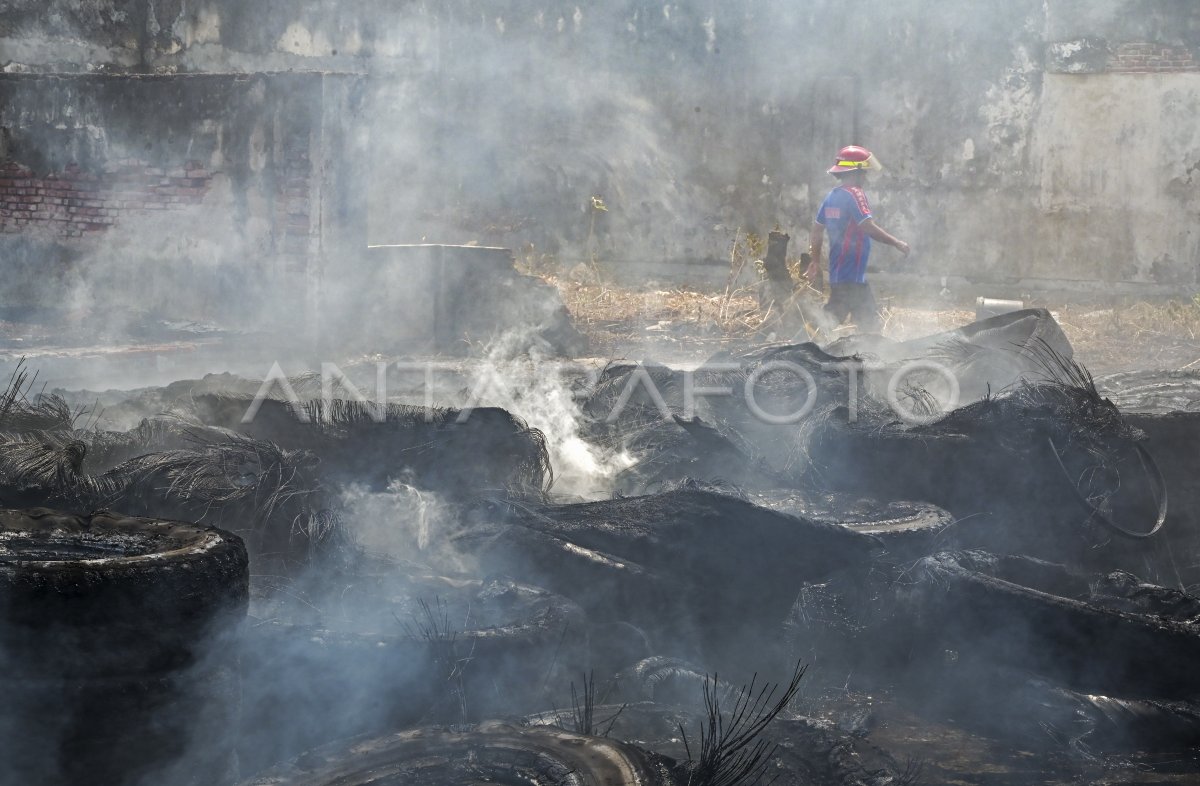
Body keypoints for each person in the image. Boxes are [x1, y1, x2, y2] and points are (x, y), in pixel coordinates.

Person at [805, 145, 909, 334]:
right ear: (856, 171)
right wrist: (897, 243)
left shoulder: (831, 197)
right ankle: (802, 344)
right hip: (851, 275)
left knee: (836, 316)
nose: (866, 178)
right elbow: (868, 227)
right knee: (867, 325)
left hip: (840, 273)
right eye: (864, 173)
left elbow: (817, 230)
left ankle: (806, 341)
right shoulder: (855, 193)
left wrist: (814, 261)